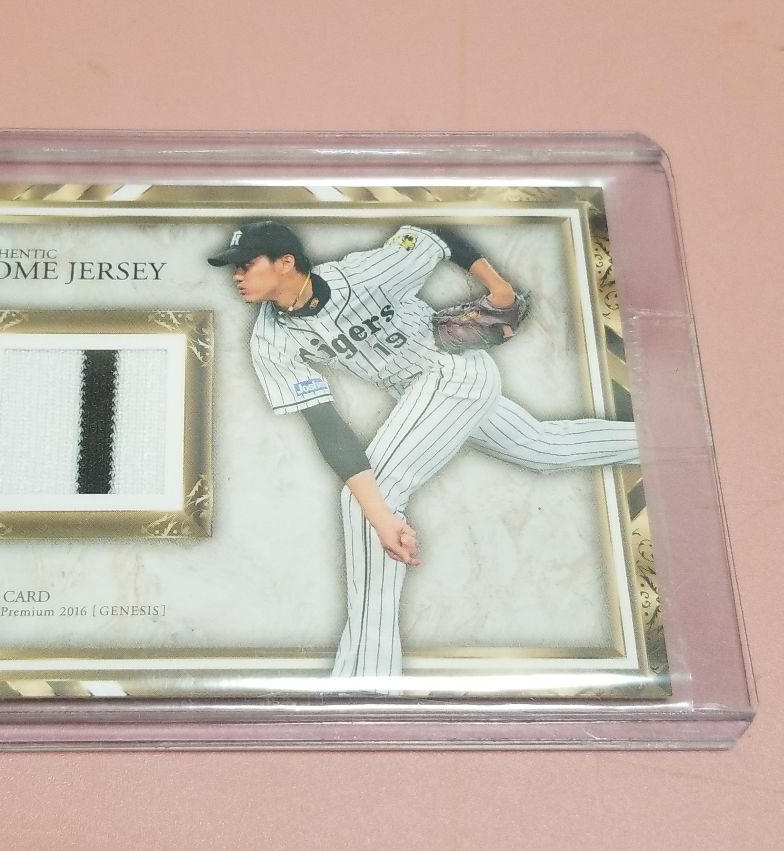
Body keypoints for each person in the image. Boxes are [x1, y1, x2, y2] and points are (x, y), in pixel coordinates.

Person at [208, 221, 640, 680]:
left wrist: (499, 290)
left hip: (453, 373)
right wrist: (381, 515)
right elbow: (326, 425)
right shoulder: (271, 340)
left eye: (246, 264)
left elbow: (437, 235)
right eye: (234, 267)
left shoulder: (366, 273)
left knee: (366, 500)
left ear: (285, 262)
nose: (237, 275)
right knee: (542, 446)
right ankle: (659, 442)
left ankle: (367, 679)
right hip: (417, 394)